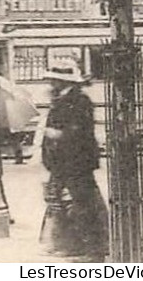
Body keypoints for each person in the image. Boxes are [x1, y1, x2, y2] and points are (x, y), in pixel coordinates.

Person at [39, 60, 107, 260]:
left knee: (81, 205)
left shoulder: (78, 100)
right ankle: (72, 244)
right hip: (63, 163)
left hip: (76, 162)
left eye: (54, 80)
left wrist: (56, 134)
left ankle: (93, 250)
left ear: (63, 81)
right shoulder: (63, 99)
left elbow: (78, 131)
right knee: (62, 202)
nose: (51, 84)